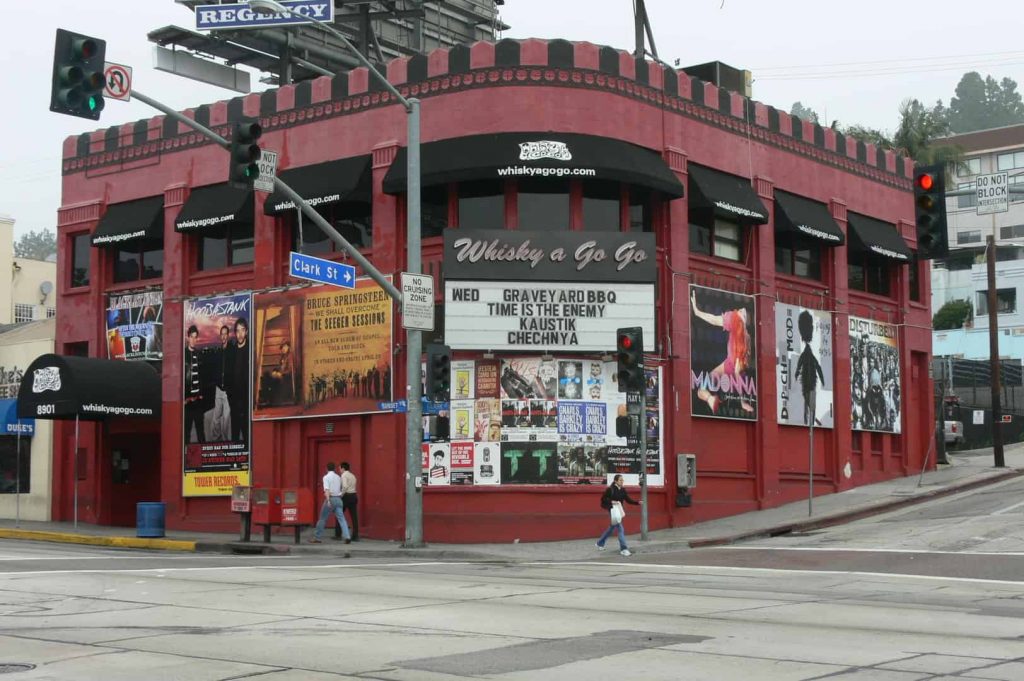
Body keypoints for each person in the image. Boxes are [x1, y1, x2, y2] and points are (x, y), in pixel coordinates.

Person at [690, 290, 754, 414]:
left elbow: (737, 371)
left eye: (741, 312)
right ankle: (711, 399)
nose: (741, 309)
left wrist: (742, 401)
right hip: (728, 366)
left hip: (731, 369)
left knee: (701, 390)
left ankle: (711, 398)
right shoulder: (745, 335)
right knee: (701, 390)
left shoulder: (737, 323)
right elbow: (714, 320)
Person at [793, 310, 825, 427]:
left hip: (809, 381)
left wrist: (822, 379)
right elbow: (816, 366)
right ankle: (809, 421)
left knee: (809, 400)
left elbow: (816, 366)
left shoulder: (809, 350)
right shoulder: (807, 351)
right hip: (808, 381)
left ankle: (809, 421)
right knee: (810, 400)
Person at [596, 474, 641, 556]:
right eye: (620, 480)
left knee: (612, 528)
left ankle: (600, 543)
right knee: (620, 529)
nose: (622, 481)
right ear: (616, 481)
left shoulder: (623, 490)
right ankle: (624, 549)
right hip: (612, 510)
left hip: (619, 511)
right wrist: (612, 501)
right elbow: (603, 499)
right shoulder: (610, 489)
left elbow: (628, 500)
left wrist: (637, 502)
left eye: (622, 480)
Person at [310, 462, 350, 544]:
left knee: (322, 519)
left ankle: (317, 537)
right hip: (338, 499)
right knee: (342, 519)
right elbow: (342, 488)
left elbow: (327, 489)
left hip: (331, 499)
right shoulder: (338, 477)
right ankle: (347, 536)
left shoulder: (326, 477)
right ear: (335, 469)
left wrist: (328, 500)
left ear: (326, 469)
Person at [227, 317, 250, 444]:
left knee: (247, 431)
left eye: (242, 330)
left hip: (246, 398)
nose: (240, 334)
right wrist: (230, 395)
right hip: (234, 398)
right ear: (235, 333)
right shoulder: (233, 351)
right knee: (235, 431)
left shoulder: (251, 350)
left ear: (246, 331)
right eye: (238, 331)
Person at [183, 325, 206, 444]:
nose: (193, 340)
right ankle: (185, 458)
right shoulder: (183, 355)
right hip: (187, 402)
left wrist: (202, 394)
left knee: (200, 432)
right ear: (188, 338)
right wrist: (183, 398)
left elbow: (203, 377)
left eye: (195, 337)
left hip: (198, 401)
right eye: (191, 337)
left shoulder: (200, 354)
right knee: (186, 432)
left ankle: (204, 458)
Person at [339, 461, 359, 541]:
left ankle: (338, 533)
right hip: (353, 495)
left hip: (346, 496)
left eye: (340, 468)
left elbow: (345, 486)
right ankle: (355, 535)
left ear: (343, 468)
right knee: (354, 516)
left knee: (339, 514)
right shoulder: (352, 475)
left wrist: (341, 494)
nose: (339, 470)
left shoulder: (344, 475)